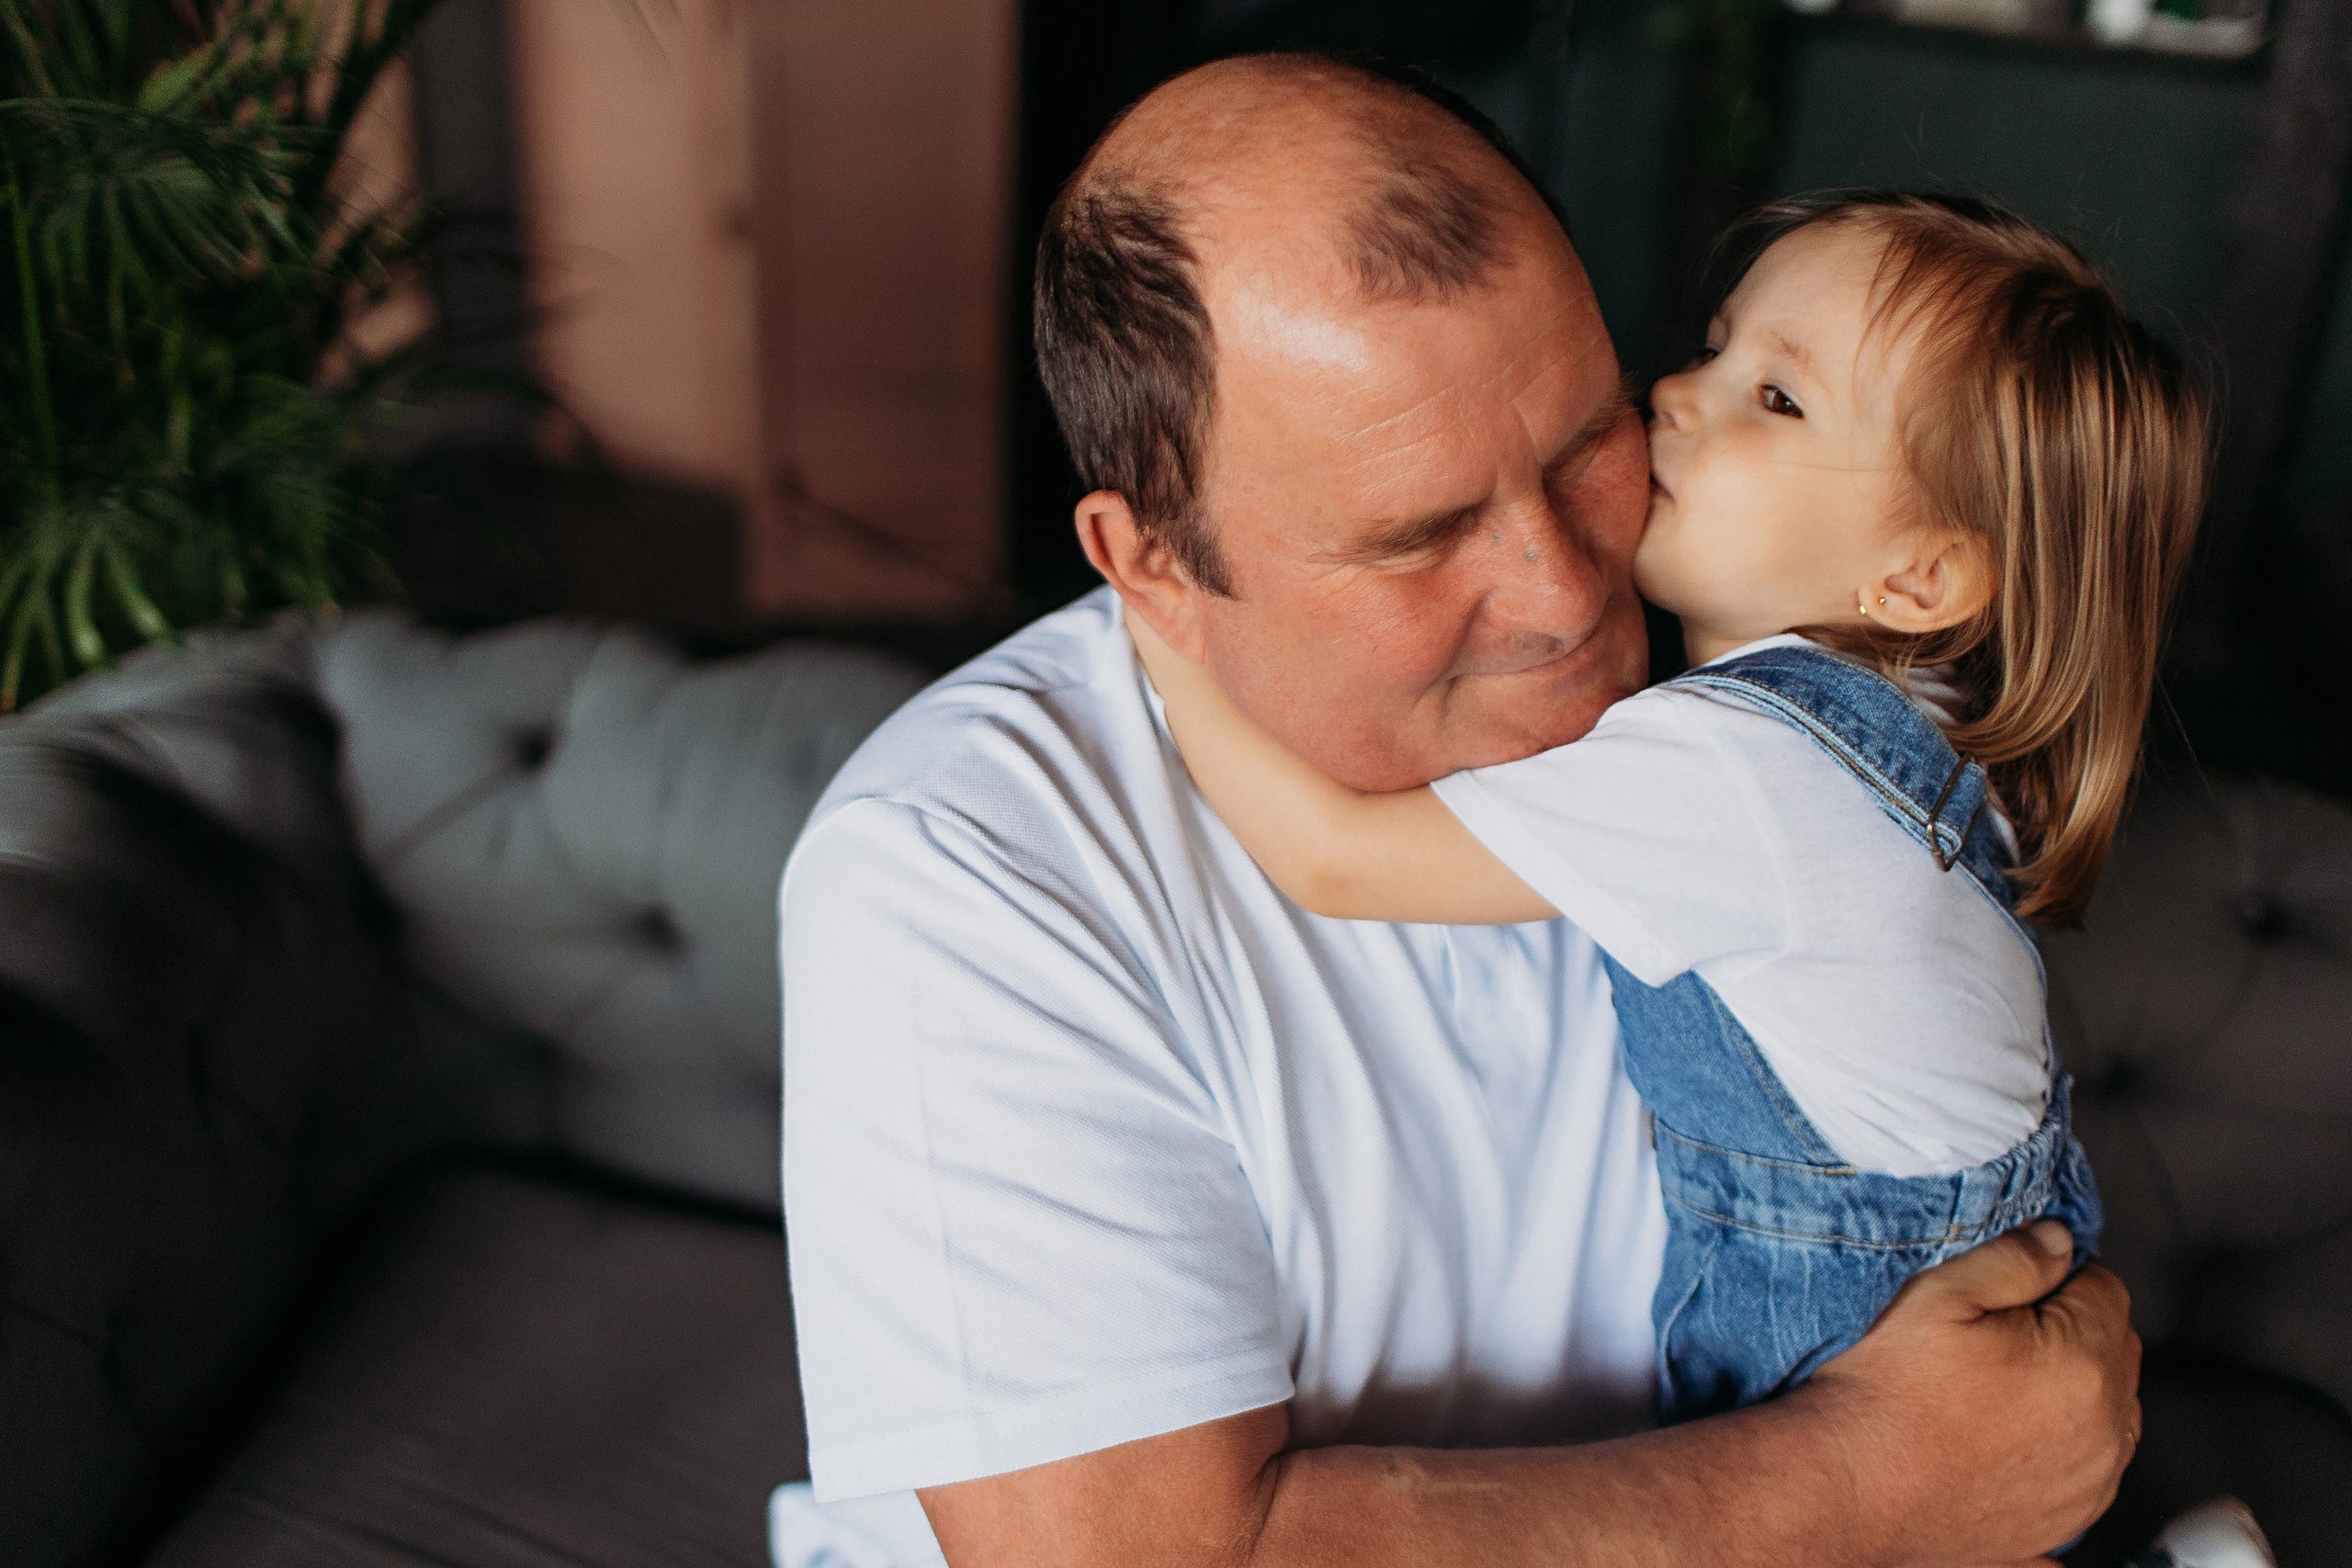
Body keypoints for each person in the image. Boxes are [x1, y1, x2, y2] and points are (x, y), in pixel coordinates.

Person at [776, 53, 2140, 1568]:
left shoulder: (1751, 689)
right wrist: (1873, 1483)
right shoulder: (960, 869)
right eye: (1419, 539)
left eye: (1584, 445)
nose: (1568, 595)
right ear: (1153, 568)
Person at [1125, 189, 2200, 1424]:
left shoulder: (1743, 768)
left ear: (1915, 577)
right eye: (1714, 347)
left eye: (1777, 400)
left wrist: (1166, 616)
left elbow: (1337, 860)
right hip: (1981, 1241)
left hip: (1850, 1300)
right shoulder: (1917, 720)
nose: (1679, 396)